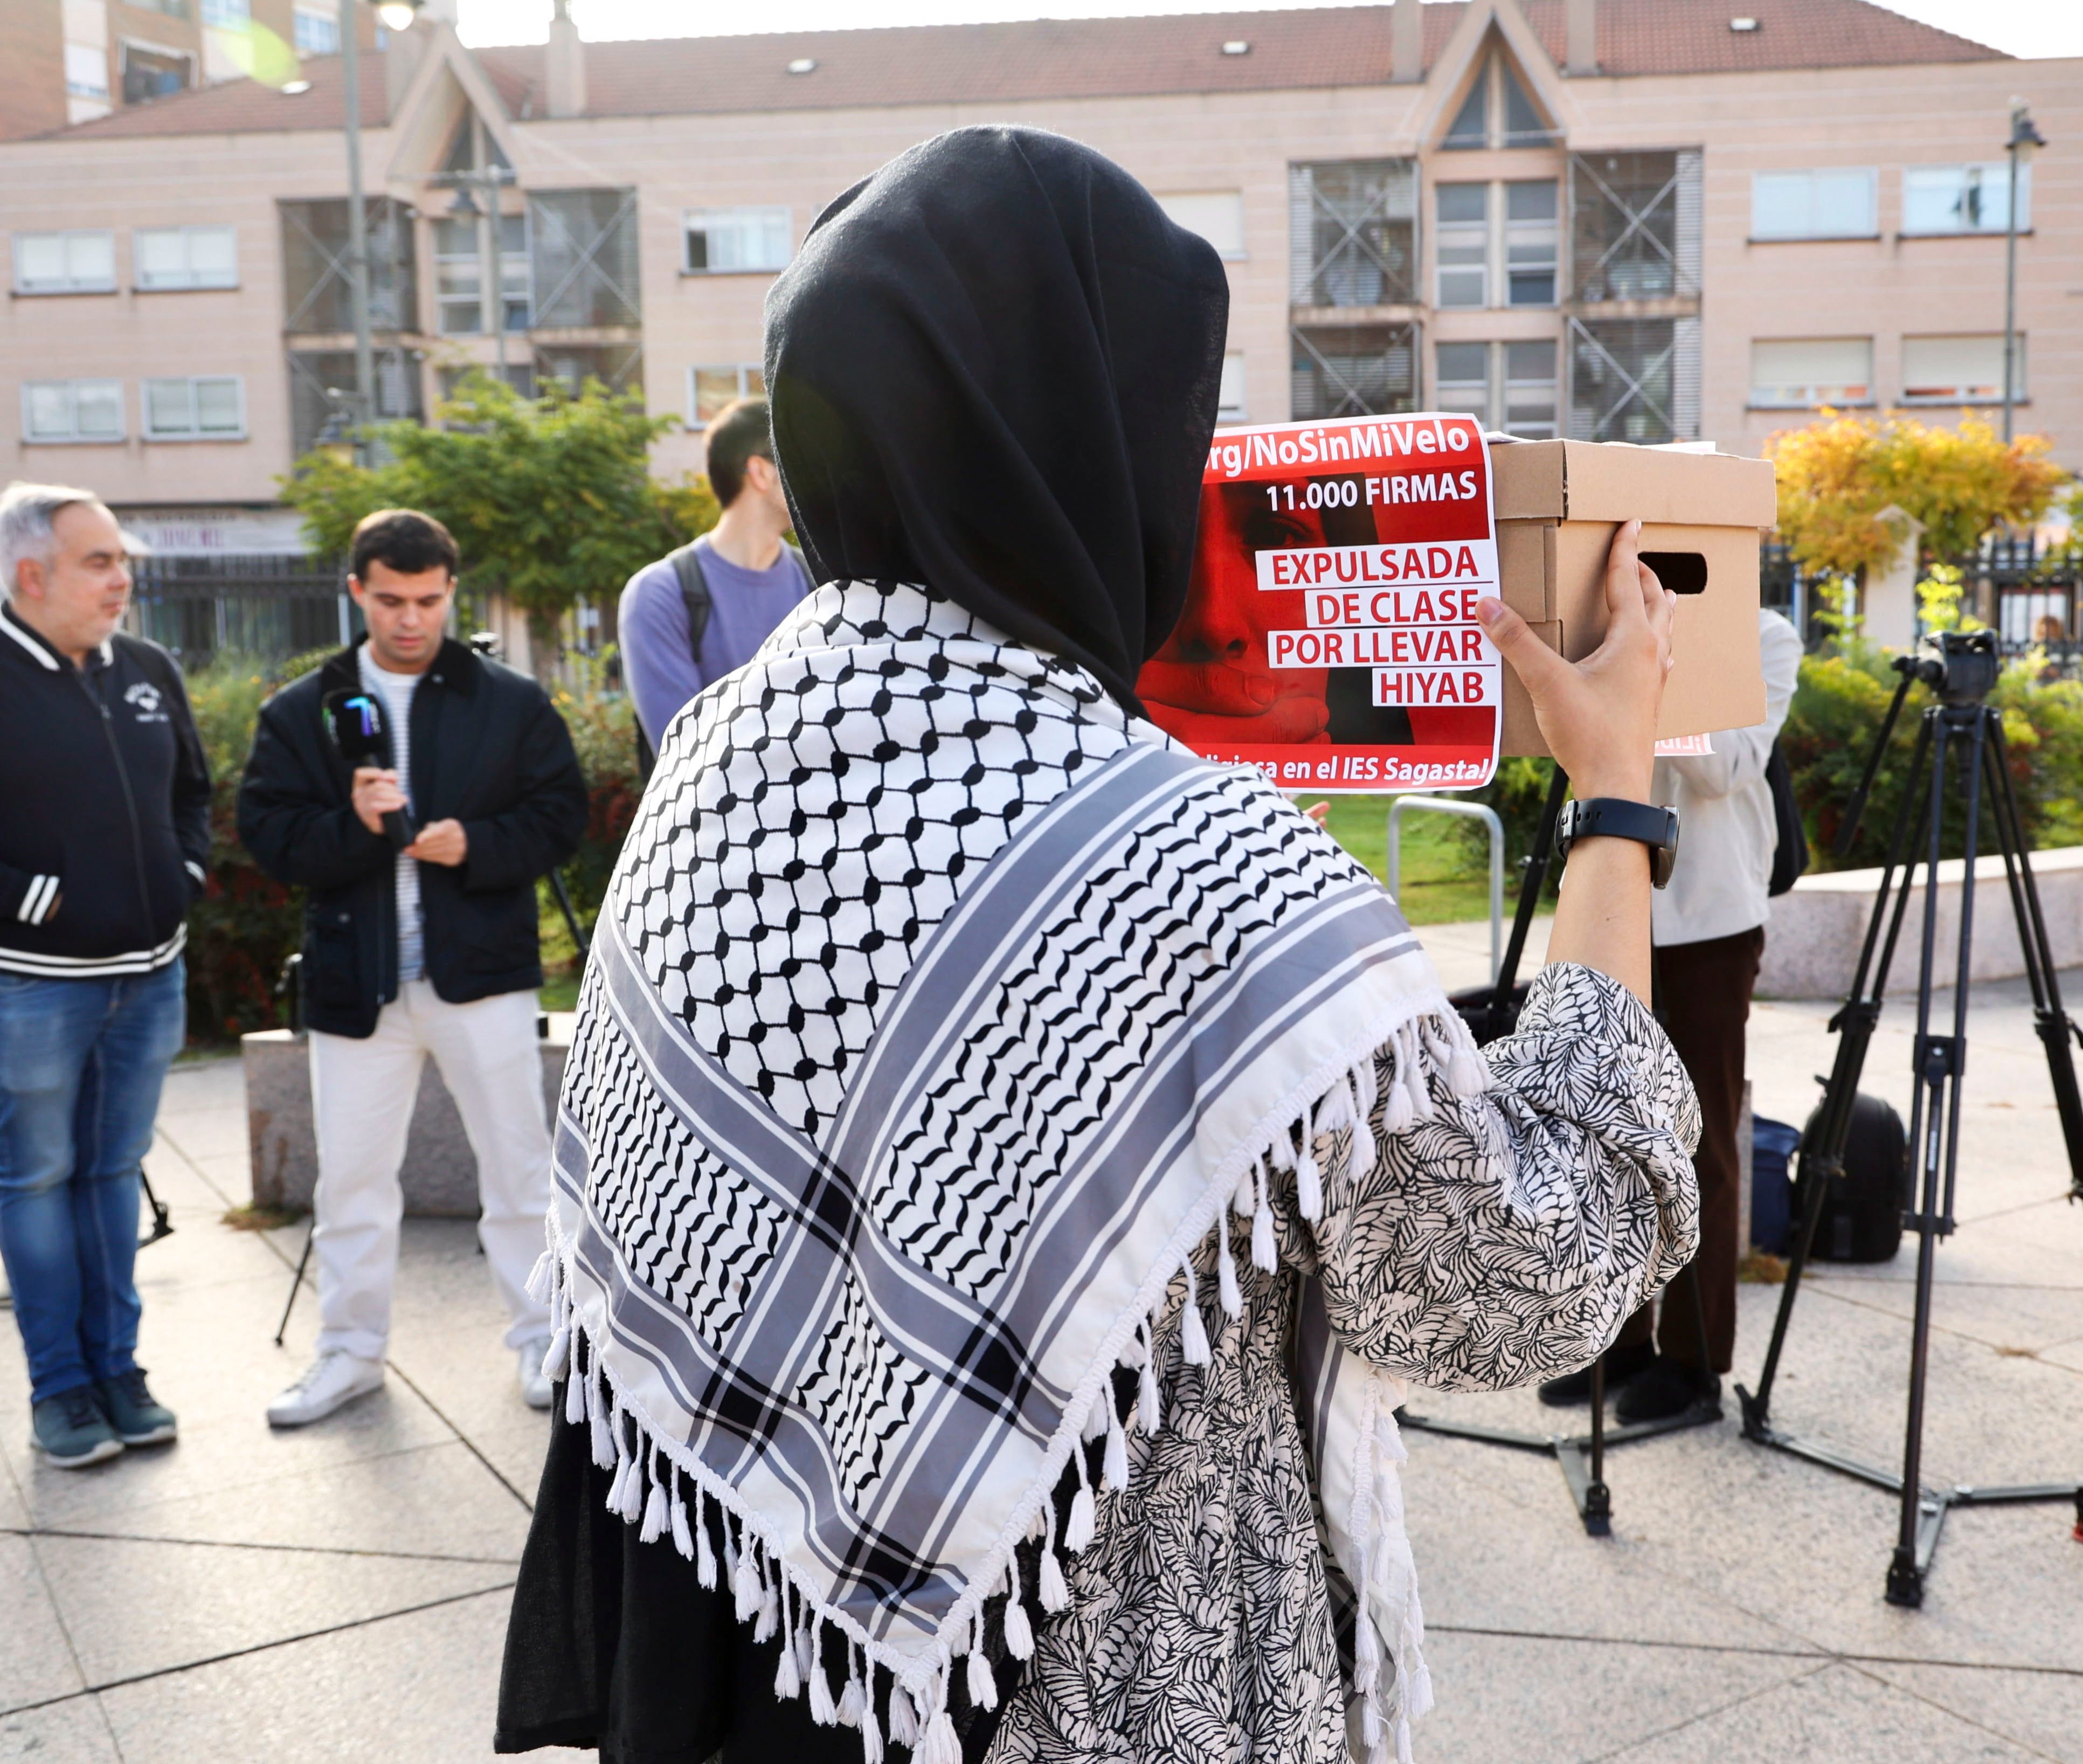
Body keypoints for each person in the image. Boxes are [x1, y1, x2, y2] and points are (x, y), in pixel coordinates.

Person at [495, 127, 1698, 1764]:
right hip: (1092, 1674)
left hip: (764, 1653)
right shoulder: (1191, 864)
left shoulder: (724, 747)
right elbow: (1528, 1273)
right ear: (1100, 439)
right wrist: (1616, 798)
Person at [239, 510, 587, 1428]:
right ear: (356, 590)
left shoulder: (507, 698)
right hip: (358, 986)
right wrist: (353, 826)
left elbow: (562, 817)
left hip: (482, 974)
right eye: (390, 599)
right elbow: (269, 838)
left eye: (429, 600)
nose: (410, 619)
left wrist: (475, 841)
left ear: (450, 592)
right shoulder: (301, 707)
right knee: (350, 1180)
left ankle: (544, 1340)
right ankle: (349, 1354)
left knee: (518, 1170)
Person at [1544, 604, 1804, 1423]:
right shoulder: (1603, 622)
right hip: (1608, 903)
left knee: (1697, 1140)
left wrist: (1651, 673)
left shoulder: (1760, 634)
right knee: (1603, 1130)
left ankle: (1694, 1362)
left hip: (1706, 920)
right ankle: (1616, 1342)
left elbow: (1724, 766)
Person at [0, 482, 206, 1471]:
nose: (122, 577)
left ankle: (119, 1370)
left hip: (149, 979)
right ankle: (63, 1389)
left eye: (122, 557)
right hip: (35, 986)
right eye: (99, 561)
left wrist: (186, 875)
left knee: (111, 1173)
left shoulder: (149, 668)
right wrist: (40, 900)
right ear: (29, 574)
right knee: (37, 1178)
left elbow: (195, 793)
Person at [619, 396, 815, 756]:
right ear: (761, 473)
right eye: (801, 460)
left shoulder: (819, 582)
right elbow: (686, 755)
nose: (816, 476)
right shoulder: (661, 593)